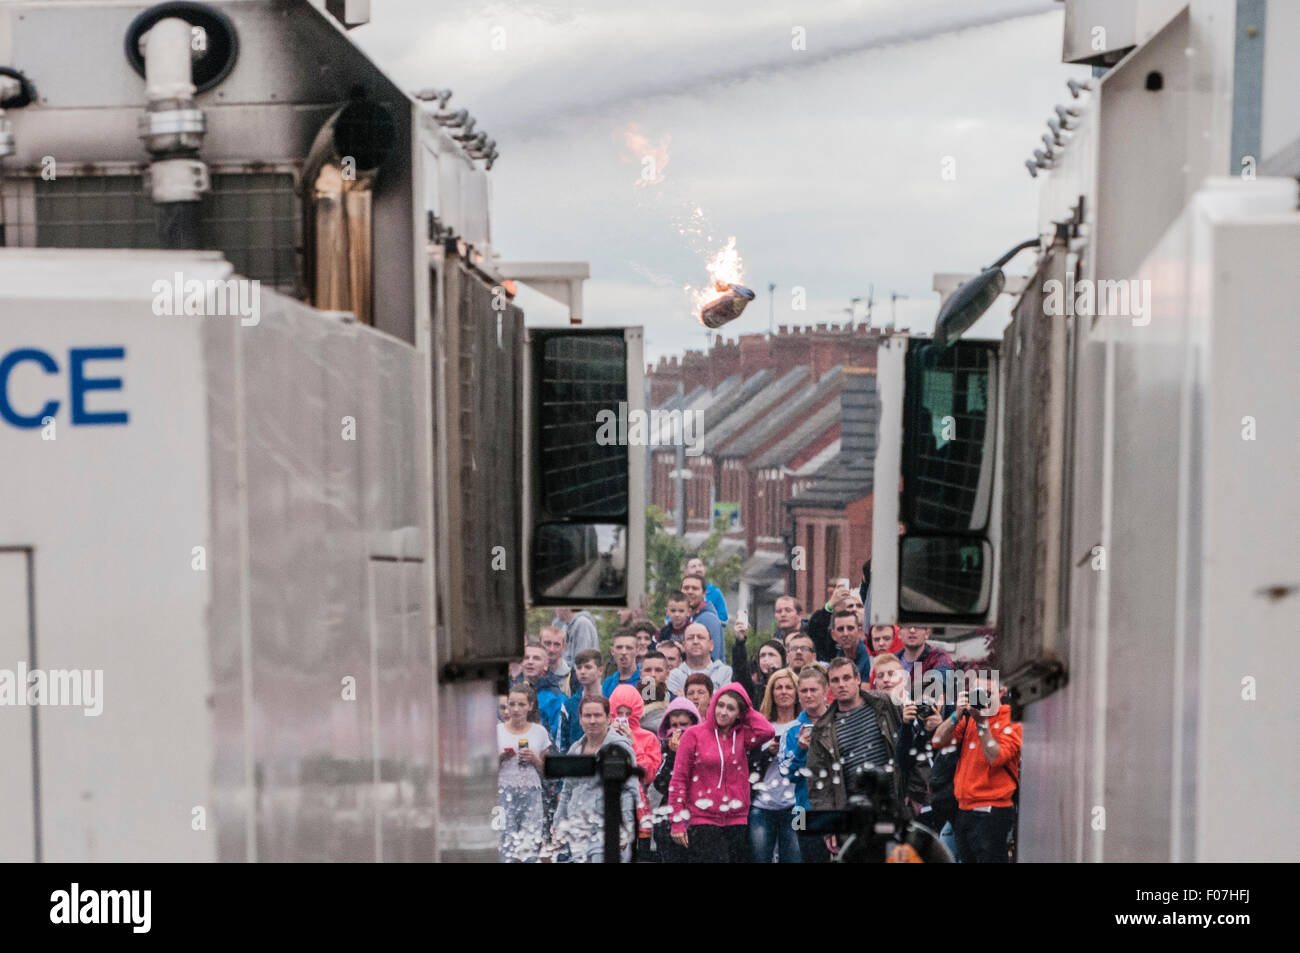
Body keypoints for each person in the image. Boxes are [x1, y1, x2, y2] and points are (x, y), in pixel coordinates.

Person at [806, 657, 904, 855]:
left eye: (846, 678)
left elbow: (910, 742)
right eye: (835, 680)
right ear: (829, 686)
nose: (841, 684)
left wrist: (917, 792)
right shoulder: (822, 730)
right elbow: (819, 784)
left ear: (858, 678)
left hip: (894, 805)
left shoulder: (885, 704)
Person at [668, 682, 774, 863]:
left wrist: (747, 709)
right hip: (703, 819)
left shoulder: (742, 736)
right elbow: (679, 779)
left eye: (731, 708)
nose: (723, 712)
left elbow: (767, 731)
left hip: (737, 818)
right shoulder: (693, 734)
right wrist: (677, 821)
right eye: (720, 705)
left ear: (739, 714)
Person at [930, 675, 1021, 863]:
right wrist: (956, 715)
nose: (982, 700)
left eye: (987, 693)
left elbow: (996, 757)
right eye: (977, 694)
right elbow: (938, 741)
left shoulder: (1011, 718)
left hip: (992, 811)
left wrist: (981, 723)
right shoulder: (969, 717)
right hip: (963, 810)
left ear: (1001, 693)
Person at [549, 695, 640, 863]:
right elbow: (567, 792)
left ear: (608, 718)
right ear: (581, 720)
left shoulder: (617, 748)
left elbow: (629, 791)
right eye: (587, 716)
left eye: (597, 715)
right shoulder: (575, 750)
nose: (592, 721)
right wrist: (558, 826)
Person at [750, 667, 802, 863]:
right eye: (778, 687)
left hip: (796, 807)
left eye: (789, 687)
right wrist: (767, 753)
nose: (784, 691)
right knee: (759, 858)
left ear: (797, 692)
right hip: (762, 806)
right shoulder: (761, 725)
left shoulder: (804, 724)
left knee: (796, 858)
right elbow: (749, 765)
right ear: (771, 692)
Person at [782, 665, 832, 862]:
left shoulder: (840, 721)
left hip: (838, 806)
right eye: (804, 690)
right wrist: (801, 750)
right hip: (803, 809)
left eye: (813, 690)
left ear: (825, 691)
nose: (809, 695)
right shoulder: (791, 730)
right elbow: (787, 774)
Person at [609, 684, 664, 861]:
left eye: (628, 713)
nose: (624, 718)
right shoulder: (604, 736)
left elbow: (648, 774)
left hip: (641, 815)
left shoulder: (648, 738)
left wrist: (632, 742)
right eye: (619, 713)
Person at [497, 684, 551, 862]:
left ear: (530, 705)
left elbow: (547, 772)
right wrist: (501, 758)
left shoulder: (540, 732)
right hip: (503, 794)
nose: (515, 709)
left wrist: (535, 759)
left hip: (531, 794)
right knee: (504, 844)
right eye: (511, 704)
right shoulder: (497, 731)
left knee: (529, 846)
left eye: (521, 704)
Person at [651, 697, 701, 863]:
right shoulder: (665, 749)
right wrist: (674, 755)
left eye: (684, 724)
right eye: (674, 725)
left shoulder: (704, 747)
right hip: (669, 823)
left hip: (698, 819)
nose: (678, 730)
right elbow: (661, 784)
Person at [511, 642, 564, 740]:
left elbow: (559, 738)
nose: (530, 662)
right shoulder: (511, 693)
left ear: (546, 665)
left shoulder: (556, 698)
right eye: (526, 658)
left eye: (536, 658)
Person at [731, 613, 787, 706]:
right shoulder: (755, 690)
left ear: (782, 659)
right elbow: (740, 671)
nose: (766, 659)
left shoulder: (791, 684)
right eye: (762, 656)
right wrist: (740, 642)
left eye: (771, 655)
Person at [665, 623, 732, 697]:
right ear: (683, 646)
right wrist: (714, 696)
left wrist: (686, 697)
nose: (695, 641)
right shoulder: (675, 675)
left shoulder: (725, 672)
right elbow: (676, 705)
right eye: (690, 638)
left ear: (711, 645)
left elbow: (724, 703)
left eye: (700, 637)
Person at [557, 648, 604, 751]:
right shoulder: (569, 705)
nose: (582, 671)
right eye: (579, 668)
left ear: (600, 670)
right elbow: (562, 744)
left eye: (588, 667)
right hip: (576, 762)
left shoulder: (611, 698)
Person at [806, 579, 852, 662]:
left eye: (842, 594)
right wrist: (829, 606)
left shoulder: (856, 614)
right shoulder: (822, 617)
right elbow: (815, 635)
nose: (837, 598)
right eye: (832, 594)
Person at [681, 574, 724, 661]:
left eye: (695, 588)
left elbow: (712, 657)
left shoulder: (708, 619)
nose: (690, 591)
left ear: (704, 593)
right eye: (686, 588)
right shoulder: (685, 618)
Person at [830, 605, 872, 680]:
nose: (845, 633)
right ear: (833, 635)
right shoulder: (836, 661)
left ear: (859, 631)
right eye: (840, 629)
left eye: (850, 628)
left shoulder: (870, 659)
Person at [685, 556, 729, 622]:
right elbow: (670, 618)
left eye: (700, 565)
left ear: (704, 570)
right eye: (693, 566)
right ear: (686, 572)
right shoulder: (683, 593)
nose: (698, 569)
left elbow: (724, 618)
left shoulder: (714, 592)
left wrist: (704, 619)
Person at [638, 650, 671, 735]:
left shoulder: (675, 702)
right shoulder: (629, 702)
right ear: (641, 674)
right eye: (648, 670)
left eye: (658, 670)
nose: (653, 674)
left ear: (667, 674)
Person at [602, 630, 641, 697]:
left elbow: (652, 707)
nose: (623, 652)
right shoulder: (607, 683)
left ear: (637, 651)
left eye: (629, 648)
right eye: (619, 647)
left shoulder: (647, 679)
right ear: (612, 651)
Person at [540, 625, 574, 696]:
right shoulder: (530, 673)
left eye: (557, 644)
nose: (551, 649)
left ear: (564, 647)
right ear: (539, 643)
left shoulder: (573, 677)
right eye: (547, 643)